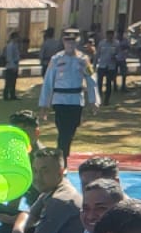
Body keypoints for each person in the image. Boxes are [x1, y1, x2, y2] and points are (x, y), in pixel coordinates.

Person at [3, 147, 85, 233]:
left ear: (60, 172)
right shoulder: (51, 190)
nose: (37, 177)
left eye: (44, 171)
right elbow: (29, 214)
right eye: (35, 171)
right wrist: (17, 231)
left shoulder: (60, 200)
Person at [39, 28, 99, 168]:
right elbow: (48, 82)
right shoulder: (56, 59)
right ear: (63, 41)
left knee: (70, 130)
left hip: (76, 100)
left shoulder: (83, 60)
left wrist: (93, 100)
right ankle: (62, 158)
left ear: (77, 41)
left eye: (73, 41)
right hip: (60, 100)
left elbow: (91, 80)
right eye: (67, 41)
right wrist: (44, 105)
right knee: (63, 131)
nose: (70, 44)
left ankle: (62, 155)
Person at [96, 30, 118, 105]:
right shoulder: (101, 43)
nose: (110, 37)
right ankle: (98, 99)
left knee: (108, 84)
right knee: (99, 83)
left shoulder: (116, 44)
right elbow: (97, 54)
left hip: (111, 66)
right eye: (108, 35)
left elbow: (119, 54)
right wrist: (94, 64)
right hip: (102, 65)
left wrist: (116, 57)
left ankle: (106, 100)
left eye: (111, 36)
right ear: (106, 35)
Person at [3, 31, 21, 100]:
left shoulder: (15, 45)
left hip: (15, 65)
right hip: (10, 66)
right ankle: (6, 96)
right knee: (8, 82)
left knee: (13, 81)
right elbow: (9, 57)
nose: (18, 39)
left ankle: (12, 95)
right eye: (17, 37)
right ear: (14, 37)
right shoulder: (10, 46)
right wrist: (13, 66)